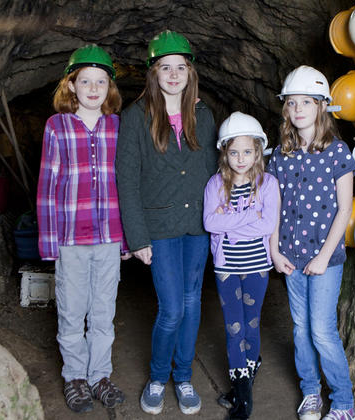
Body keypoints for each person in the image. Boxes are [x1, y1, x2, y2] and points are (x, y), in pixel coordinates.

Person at [115, 30, 218, 416]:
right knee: (172, 308)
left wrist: (220, 226)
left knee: (192, 304)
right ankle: (159, 377)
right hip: (157, 229)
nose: (173, 75)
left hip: (197, 227)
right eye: (165, 68)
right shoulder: (135, 116)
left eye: (180, 67)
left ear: (190, 72)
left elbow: (214, 173)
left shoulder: (204, 115)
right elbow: (126, 180)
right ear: (153, 73)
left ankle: (184, 376)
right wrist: (136, 236)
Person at [36, 44, 129, 413]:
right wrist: (48, 241)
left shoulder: (117, 125)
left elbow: (126, 183)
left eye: (101, 81)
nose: (93, 88)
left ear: (110, 88)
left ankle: (99, 376)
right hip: (71, 238)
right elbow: (47, 185)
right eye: (85, 81)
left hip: (109, 238)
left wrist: (128, 237)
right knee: (72, 312)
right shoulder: (56, 126)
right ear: (71, 85)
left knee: (104, 312)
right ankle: (75, 376)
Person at [267, 65, 355, 420]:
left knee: (321, 331)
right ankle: (310, 392)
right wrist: (274, 249)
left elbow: (346, 208)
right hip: (290, 257)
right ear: (286, 109)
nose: (298, 109)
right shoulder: (280, 154)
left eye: (306, 101)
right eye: (292, 103)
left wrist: (323, 257)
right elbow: (272, 206)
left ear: (322, 105)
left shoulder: (337, 152)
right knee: (301, 330)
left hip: (324, 260)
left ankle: (343, 402)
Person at [203, 112, 279, 419]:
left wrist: (231, 224)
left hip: (258, 265)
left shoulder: (268, 183)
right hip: (227, 268)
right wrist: (250, 216)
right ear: (225, 153)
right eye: (234, 152)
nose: (240, 158)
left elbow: (268, 225)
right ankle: (243, 400)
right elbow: (210, 222)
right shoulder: (215, 184)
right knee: (234, 329)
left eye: (247, 151)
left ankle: (247, 371)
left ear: (258, 151)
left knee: (251, 323)